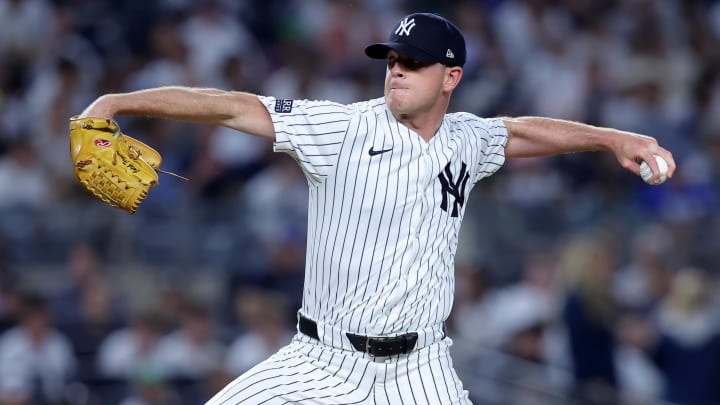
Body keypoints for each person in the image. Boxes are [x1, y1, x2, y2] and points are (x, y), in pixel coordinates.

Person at [78, 12, 676, 405]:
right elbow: (230, 106)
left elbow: (522, 132)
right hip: (322, 360)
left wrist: (613, 139)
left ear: (451, 77)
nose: (397, 69)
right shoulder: (337, 127)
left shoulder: (467, 139)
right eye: (392, 59)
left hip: (421, 370)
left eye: (413, 62)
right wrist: (118, 100)